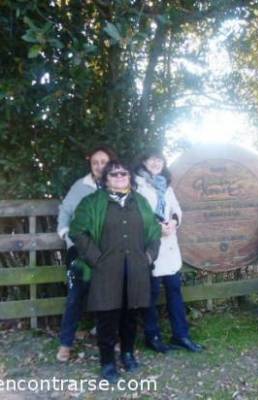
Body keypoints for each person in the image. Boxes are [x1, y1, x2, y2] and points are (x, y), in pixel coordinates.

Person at [69, 160, 161, 382]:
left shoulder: (140, 202)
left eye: (124, 173)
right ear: (105, 179)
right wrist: (96, 259)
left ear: (129, 177)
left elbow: (154, 231)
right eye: (113, 174)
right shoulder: (91, 203)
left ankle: (127, 353)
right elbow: (78, 232)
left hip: (136, 270)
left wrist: (148, 257)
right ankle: (108, 361)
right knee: (107, 319)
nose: (120, 177)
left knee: (130, 317)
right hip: (105, 271)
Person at [135, 150, 203, 353]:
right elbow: (138, 214)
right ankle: (152, 336)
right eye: (151, 158)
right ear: (144, 161)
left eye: (159, 159)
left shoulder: (166, 184)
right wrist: (158, 227)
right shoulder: (137, 184)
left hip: (170, 248)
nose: (156, 162)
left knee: (175, 292)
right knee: (151, 293)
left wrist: (174, 221)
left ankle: (181, 335)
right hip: (151, 247)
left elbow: (176, 209)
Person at [56, 146, 117, 362]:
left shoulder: (116, 184)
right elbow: (65, 210)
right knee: (76, 296)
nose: (100, 166)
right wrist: (65, 233)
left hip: (107, 251)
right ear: (90, 164)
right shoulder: (81, 186)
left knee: (109, 296)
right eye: (95, 162)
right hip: (80, 250)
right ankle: (65, 343)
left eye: (103, 162)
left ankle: (108, 338)